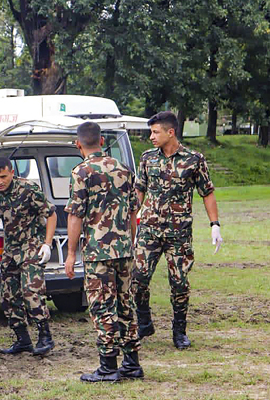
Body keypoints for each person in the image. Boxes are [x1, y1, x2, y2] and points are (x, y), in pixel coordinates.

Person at [132, 111, 223, 350]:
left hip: (178, 233)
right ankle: (143, 321)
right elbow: (139, 190)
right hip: (149, 230)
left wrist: (215, 225)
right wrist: (131, 219)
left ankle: (179, 330)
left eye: (155, 132)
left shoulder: (194, 159)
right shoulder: (147, 158)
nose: (151, 136)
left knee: (179, 284)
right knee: (138, 278)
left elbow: (207, 192)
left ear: (170, 132)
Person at [64, 121, 143, 383]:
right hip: (123, 250)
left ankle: (108, 366)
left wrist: (71, 253)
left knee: (102, 307)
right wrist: (130, 242)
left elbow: (75, 216)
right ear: (101, 141)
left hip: (98, 252)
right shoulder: (123, 169)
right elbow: (133, 212)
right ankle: (132, 364)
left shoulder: (81, 172)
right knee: (125, 304)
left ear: (79, 144)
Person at [0, 157, 57, 356]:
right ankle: (23, 339)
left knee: (31, 291)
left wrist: (47, 244)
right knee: (7, 296)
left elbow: (51, 214)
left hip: (32, 246)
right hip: (11, 249)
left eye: (3, 176)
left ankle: (45, 336)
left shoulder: (28, 189)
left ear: (12, 172)